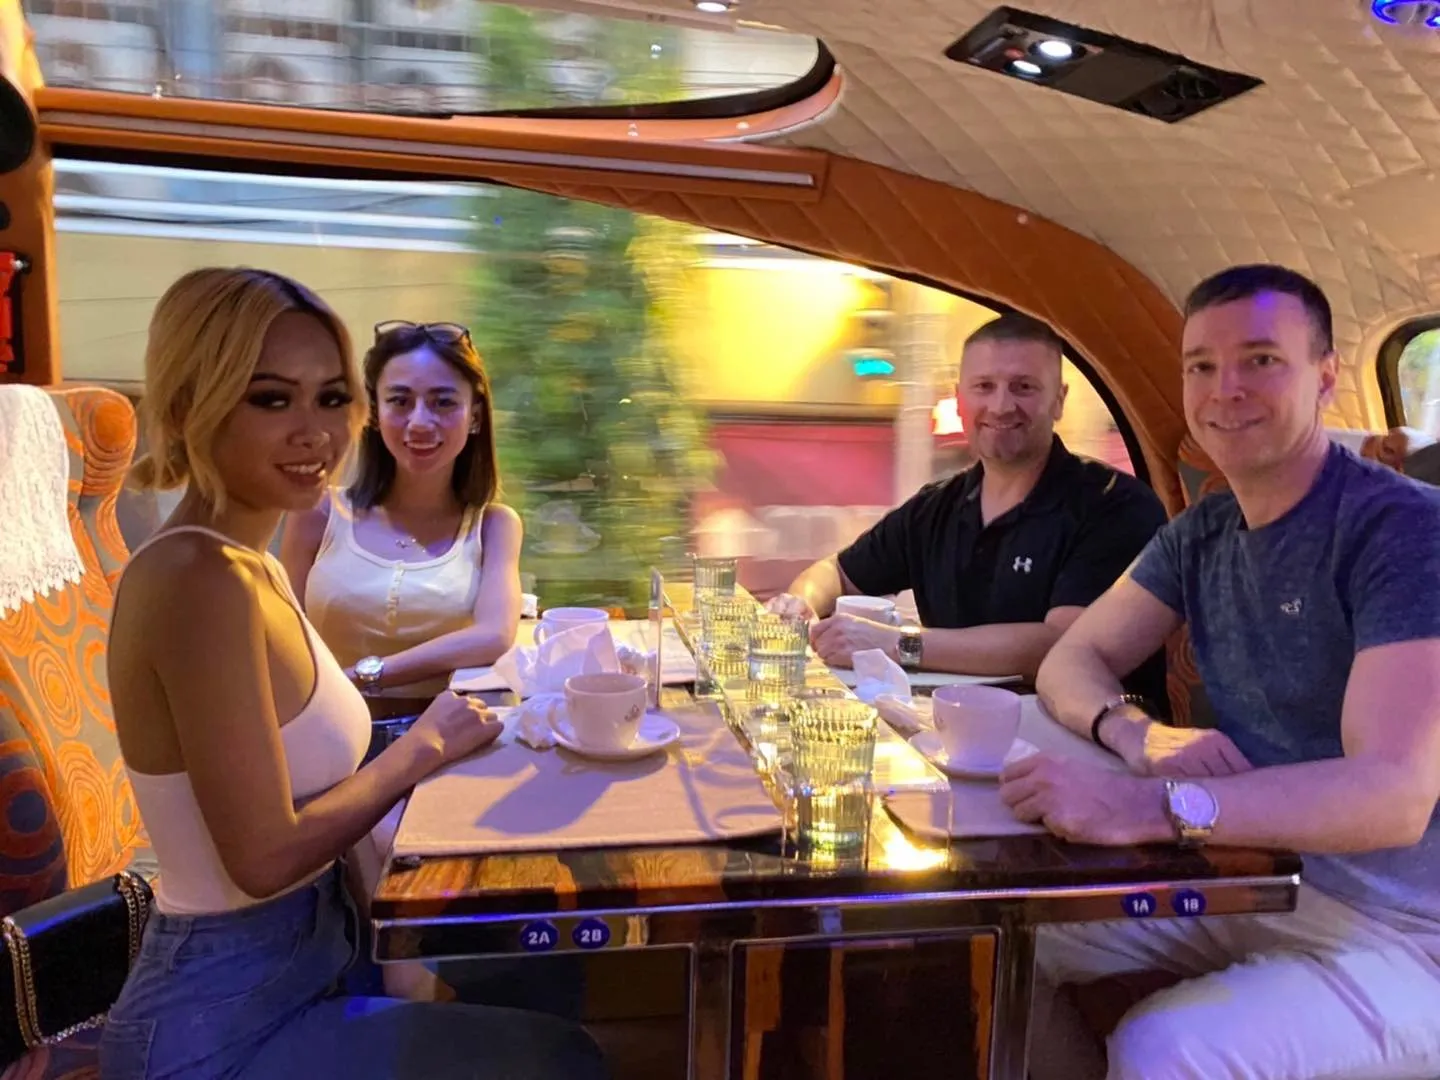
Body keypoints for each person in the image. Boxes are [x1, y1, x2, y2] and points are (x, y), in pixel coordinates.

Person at [102, 267, 608, 1080]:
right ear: (191, 404)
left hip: (316, 954)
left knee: (542, 964)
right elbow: (262, 859)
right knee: (560, 1058)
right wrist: (421, 751)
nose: (315, 432)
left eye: (333, 398)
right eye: (271, 398)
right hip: (226, 1016)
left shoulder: (251, 564)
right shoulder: (198, 580)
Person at [1006, 264, 1440, 1080]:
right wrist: (1133, 733)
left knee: (1167, 1051)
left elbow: (1394, 794)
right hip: (1262, 876)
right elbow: (1074, 658)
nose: (1223, 388)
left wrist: (1149, 806)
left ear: (1325, 375)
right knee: (1002, 940)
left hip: (1411, 932)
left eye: (1260, 360)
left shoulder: (1405, 534)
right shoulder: (1203, 531)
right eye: (1201, 365)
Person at [769, 312, 1169, 703]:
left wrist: (900, 644)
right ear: (960, 400)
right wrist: (802, 604)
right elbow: (835, 572)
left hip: (1082, 741)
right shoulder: (937, 507)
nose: (1000, 406)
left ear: (1058, 401)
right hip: (955, 734)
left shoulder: (1113, 504)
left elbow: (1062, 646)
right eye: (983, 387)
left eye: (1023, 387)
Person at [281, 320, 521, 712]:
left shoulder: (494, 526)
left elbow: (494, 635)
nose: (420, 422)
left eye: (443, 402)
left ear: (474, 416)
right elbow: (285, 631)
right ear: (374, 412)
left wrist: (362, 676)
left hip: (445, 734)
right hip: (327, 729)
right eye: (400, 401)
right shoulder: (319, 510)